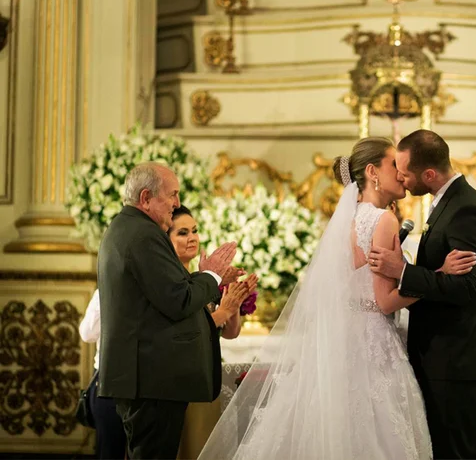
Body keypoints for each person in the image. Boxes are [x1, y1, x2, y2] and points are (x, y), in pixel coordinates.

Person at [199, 137, 433, 459]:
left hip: (342, 341)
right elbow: (384, 302)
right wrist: (432, 281)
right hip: (373, 343)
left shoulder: (349, 220)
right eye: (394, 164)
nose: (403, 172)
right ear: (372, 172)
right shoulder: (384, 219)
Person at [369, 129, 476, 459]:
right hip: (443, 359)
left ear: (429, 174)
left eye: (404, 171)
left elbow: (469, 290)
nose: (400, 177)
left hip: (456, 362)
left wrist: (402, 271)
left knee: (454, 452)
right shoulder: (449, 204)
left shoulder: (466, 210)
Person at [96, 162, 240, 460]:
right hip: (151, 379)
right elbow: (179, 300)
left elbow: (162, 294)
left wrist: (205, 278)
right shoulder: (143, 235)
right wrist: (211, 275)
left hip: (148, 378)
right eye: (172, 195)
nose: (176, 204)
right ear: (146, 197)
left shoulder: (130, 228)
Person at [167, 205, 255, 460]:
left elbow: (230, 333)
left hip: (206, 373)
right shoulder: (173, 283)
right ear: (166, 239)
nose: (192, 237)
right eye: (182, 233)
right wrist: (222, 311)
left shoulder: (201, 279)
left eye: (194, 231)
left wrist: (232, 298)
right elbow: (185, 329)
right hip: (181, 378)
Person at [79, 290, 126, 459]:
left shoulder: (105, 293)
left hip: (109, 383)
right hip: (112, 382)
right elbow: (87, 334)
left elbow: (87, 333)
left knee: (109, 450)